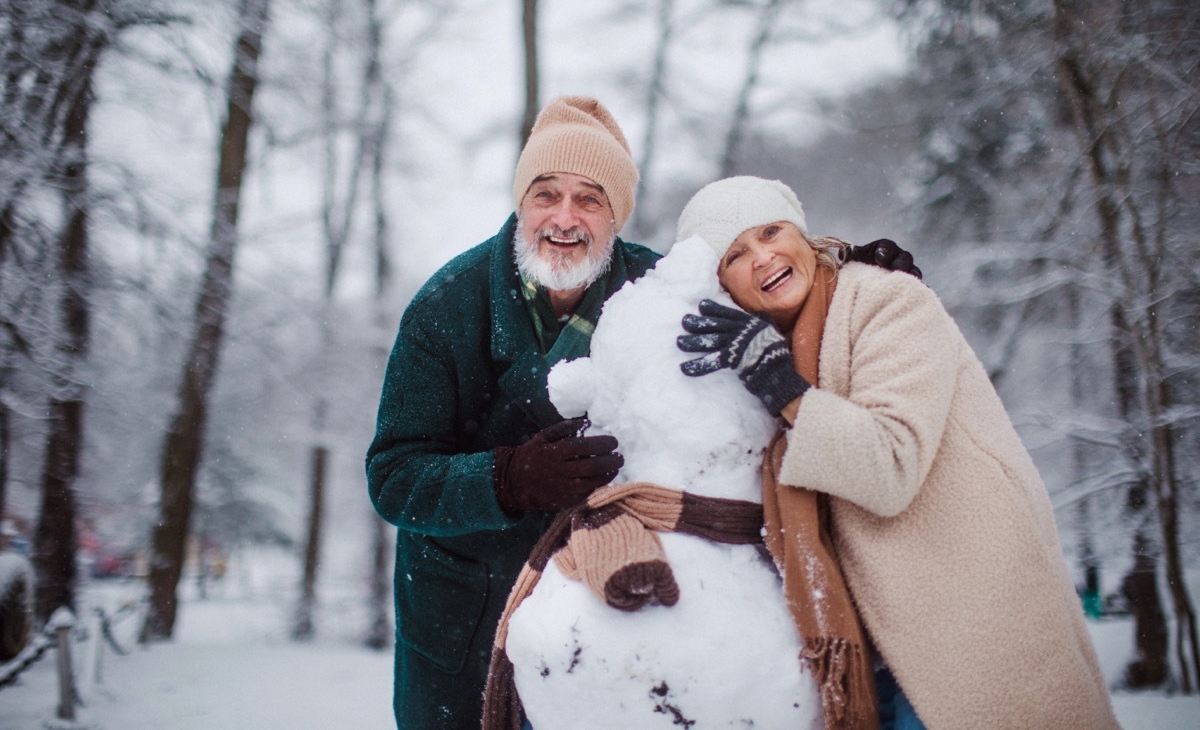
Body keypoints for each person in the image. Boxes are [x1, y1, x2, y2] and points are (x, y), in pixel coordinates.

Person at [366, 98, 919, 730]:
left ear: (615, 216)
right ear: (522, 203)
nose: (565, 218)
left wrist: (843, 279)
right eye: (547, 195)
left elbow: (761, 302)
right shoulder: (446, 307)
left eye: (590, 199)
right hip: (470, 597)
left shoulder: (654, 287)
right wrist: (507, 479)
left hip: (602, 602)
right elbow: (393, 477)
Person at [673, 176, 1120, 730]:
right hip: (875, 637)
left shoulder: (888, 302)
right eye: (736, 254)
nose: (763, 256)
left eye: (771, 231)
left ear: (803, 236)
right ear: (721, 285)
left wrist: (780, 385)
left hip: (967, 619)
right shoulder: (753, 350)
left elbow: (891, 466)